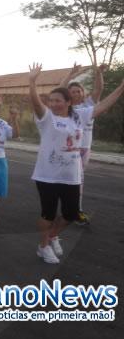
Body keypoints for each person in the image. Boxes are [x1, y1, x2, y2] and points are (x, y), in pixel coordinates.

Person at [28, 63, 124, 264]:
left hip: (71, 175)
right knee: (48, 213)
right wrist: (32, 82)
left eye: (57, 100)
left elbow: (104, 103)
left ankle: (53, 235)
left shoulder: (79, 116)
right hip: (47, 176)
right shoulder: (46, 118)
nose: (53, 103)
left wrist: (121, 86)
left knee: (71, 214)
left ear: (68, 102)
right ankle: (43, 247)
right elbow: (37, 103)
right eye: (51, 100)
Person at [59, 63, 106, 225]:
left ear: (83, 92)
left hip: (85, 149)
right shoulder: (65, 107)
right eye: (72, 92)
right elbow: (60, 88)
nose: (76, 93)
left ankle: (72, 209)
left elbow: (99, 89)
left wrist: (99, 73)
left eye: (79, 90)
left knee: (78, 179)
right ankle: (74, 210)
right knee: (75, 179)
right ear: (68, 95)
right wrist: (71, 74)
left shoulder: (89, 104)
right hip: (70, 148)